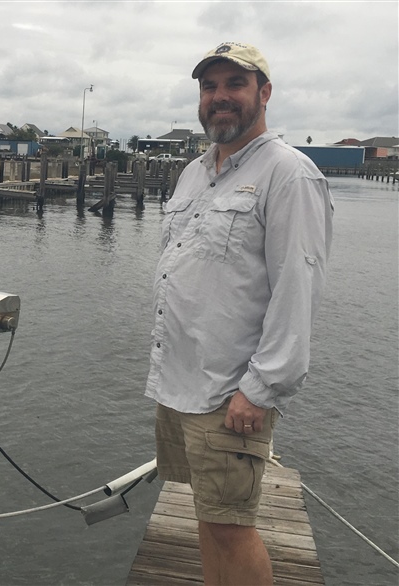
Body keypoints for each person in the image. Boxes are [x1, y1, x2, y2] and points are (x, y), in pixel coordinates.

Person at [145, 42, 333, 585]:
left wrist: (261, 387)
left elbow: (298, 288)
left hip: (230, 392)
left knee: (232, 527)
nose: (219, 96)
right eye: (210, 86)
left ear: (264, 93)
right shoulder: (193, 172)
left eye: (235, 84)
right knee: (208, 517)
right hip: (179, 382)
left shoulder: (290, 174)